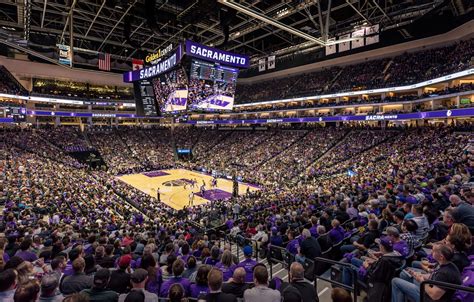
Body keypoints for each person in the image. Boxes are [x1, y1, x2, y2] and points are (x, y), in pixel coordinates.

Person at [391, 244, 461, 302]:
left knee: (395, 281)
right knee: (405, 274)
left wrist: (422, 281)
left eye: (434, 251)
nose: (431, 252)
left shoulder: (445, 273)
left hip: (429, 298)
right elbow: (433, 275)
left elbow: (434, 296)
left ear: (441, 257)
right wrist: (419, 275)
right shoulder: (446, 264)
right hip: (430, 286)